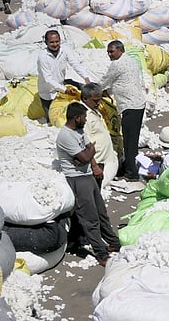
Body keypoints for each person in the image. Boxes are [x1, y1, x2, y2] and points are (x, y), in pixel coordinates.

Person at [54, 102, 119, 267]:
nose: (85, 120)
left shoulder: (80, 130)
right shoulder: (66, 136)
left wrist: (88, 154)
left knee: (101, 212)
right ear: (77, 118)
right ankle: (101, 254)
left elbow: (89, 151)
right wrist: (86, 154)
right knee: (90, 218)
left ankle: (114, 243)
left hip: (87, 175)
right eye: (84, 117)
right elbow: (84, 156)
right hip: (77, 179)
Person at [98, 40, 146, 181]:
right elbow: (122, 81)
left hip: (130, 106)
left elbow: (104, 82)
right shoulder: (131, 60)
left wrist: (91, 90)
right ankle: (131, 166)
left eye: (112, 51)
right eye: (108, 51)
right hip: (138, 104)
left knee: (129, 142)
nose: (109, 54)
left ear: (120, 50)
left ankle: (132, 174)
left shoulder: (117, 64)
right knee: (132, 140)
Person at [37, 30, 91, 124]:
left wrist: (85, 77)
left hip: (60, 88)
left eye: (57, 41)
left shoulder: (64, 51)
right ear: (46, 43)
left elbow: (75, 64)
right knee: (52, 120)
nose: (55, 44)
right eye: (52, 42)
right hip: (47, 92)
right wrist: (65, 90)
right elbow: (48, 79)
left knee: (65, 115)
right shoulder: (43, 57)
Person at [80, 82, 119, 196]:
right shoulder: (83, 116)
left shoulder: (93, 111)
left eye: (99, 100)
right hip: (96, 161)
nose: (98, 103)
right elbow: (85, 143)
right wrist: (94, 166)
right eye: (95, 101)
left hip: (103, 159)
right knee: (95, 191)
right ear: (85, 99)